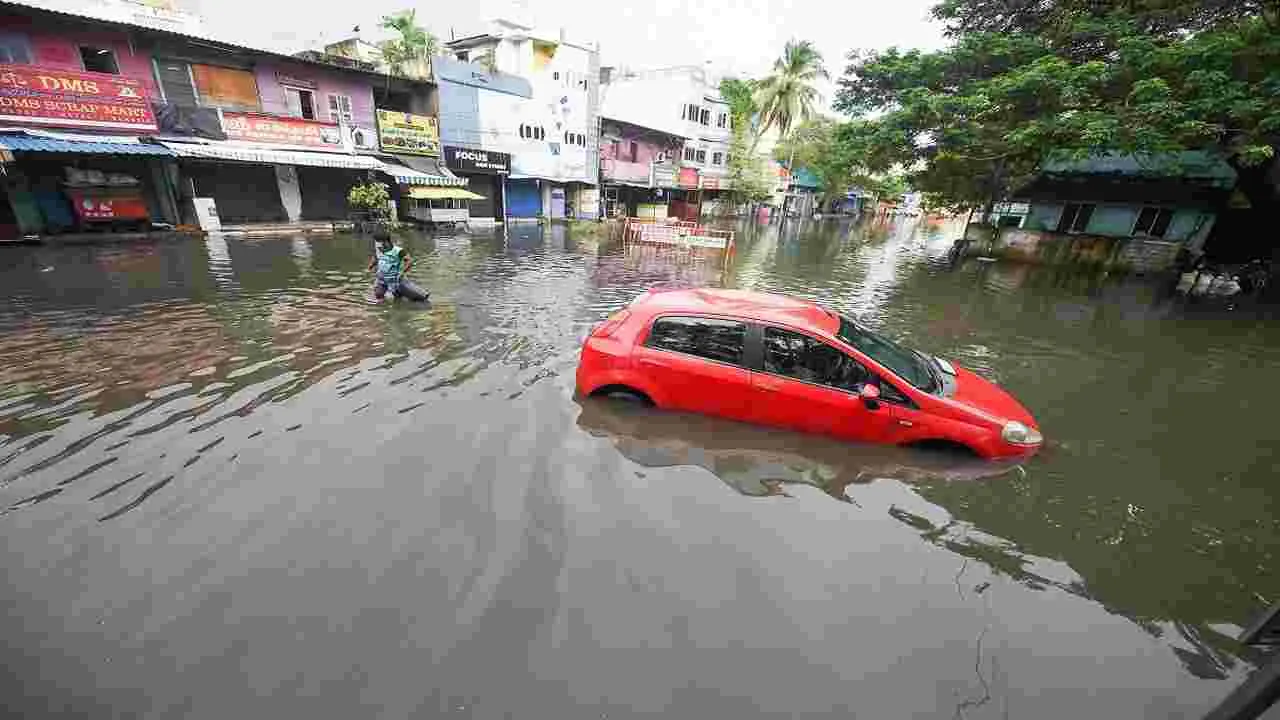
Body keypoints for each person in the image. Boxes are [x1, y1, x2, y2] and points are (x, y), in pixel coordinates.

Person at [367, 231, 412, 302]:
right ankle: (382, 310)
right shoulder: (378, 250)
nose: (376, 244)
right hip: (381, 278)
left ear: (385, 241)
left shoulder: (398, 251)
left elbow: (409, 261)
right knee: (378, 294)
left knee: (397, 298)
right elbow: (375, 258)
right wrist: (370, 267)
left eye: (378, 242)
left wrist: (402, 272)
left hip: (394, 279)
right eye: (376, 242)